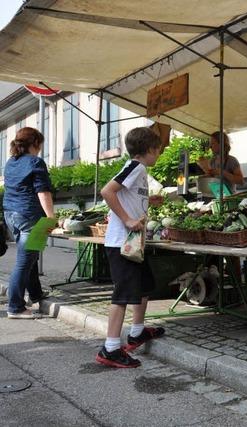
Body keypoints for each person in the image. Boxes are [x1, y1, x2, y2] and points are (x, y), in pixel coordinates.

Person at [96, 127, 165, 368]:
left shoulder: (139, 170)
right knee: (123, 294)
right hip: (122, 243)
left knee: (144, 285)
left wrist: (149, 201)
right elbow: (107, 191)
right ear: (149, 150)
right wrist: (127, 220)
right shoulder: (136, 167)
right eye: (158, 150)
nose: (159, 155)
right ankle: (111, 348)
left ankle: (137, 331)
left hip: (133, 243)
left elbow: (126, 196)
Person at [3, 127, 54, 319]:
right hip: (30, 216)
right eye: (40, 144)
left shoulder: (10, 163)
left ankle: (35, 294)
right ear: (35, 143)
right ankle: (15, 307)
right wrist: (51, 217)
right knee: (24, 262)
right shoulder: (36, 162)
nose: (40, 148)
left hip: (11, 215)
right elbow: (43, 191)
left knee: (30, 258)